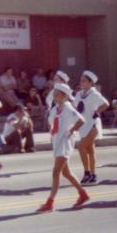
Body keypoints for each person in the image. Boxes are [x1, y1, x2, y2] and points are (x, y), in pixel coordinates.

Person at [36, 83, 90, 213]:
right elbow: (52, 124)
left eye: (58, 95)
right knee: (66, 172)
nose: (55, 97)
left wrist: (72, 130)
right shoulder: (55, 109)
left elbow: (81, 120)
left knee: (56, 172)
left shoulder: (67, 107)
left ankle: (50, 203)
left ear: (66, 96)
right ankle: (83, 194)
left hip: (65, 143)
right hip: (57, 143)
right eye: (54, 94)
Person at [74, 70, 109, 186]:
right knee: (90, 150)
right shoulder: (79, 94)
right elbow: (75, 107)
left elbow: (106, 104)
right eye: (81, 80)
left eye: (84, 81)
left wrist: (97, 111)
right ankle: (93, 176)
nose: (81, 82)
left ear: (90, 83)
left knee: (80, 146)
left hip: (93, 125)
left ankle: (87, 173)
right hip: (83, 126)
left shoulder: (94, 94)